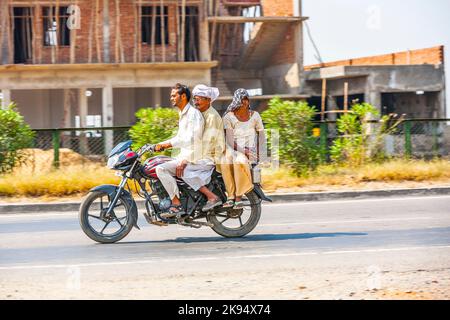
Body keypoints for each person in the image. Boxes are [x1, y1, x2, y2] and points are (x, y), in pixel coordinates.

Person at [154, 83, 222, 218]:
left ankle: (179, 203)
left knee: (179, 170)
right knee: (160, 167)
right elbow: (181, 137)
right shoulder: (183, 114)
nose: (171, 98)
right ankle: (176, 199)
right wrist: (158, 144)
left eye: (174, 95)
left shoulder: (193, 114)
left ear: (183, 96)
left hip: (201, 156)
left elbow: (194, 139)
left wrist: (168, 146)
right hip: (191, 155)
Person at [220, 88, 266, 209]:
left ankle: (238, 197)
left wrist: (260, 154)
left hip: (250, 150)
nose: (245, 102)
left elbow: (261, 136)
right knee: (224, 161)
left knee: (238, 161)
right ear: (236, 101)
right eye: (242, 99)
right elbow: (229, 140)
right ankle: (230, 197)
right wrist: (243, 151)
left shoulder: (255, 116)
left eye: (246, 99)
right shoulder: (229, 117)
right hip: (233, 149)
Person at [191, 84, 226, 210]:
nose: (195, 102)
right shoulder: (202, 114)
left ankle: (211, 197)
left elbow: (208, 142)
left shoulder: (211, 116)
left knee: (184, 170)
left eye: (198, 99)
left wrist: (190, 157)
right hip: (204, 153)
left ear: (208, 100)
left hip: (210, 156)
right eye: (194, 99)